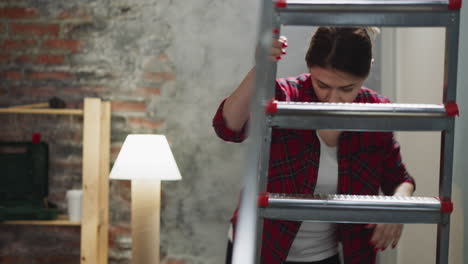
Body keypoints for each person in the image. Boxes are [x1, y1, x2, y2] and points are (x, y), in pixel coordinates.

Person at [212, 27, 416, 264]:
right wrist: (261, 68)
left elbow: (401, 179)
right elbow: (228, 127)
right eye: (322, 85)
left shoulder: (375, 112)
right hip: (260, 248)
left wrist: (397, 204)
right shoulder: (285, 97)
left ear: (365, 76)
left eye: (347, 89)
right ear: (310, 69)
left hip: (327, 255)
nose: (332, 99)